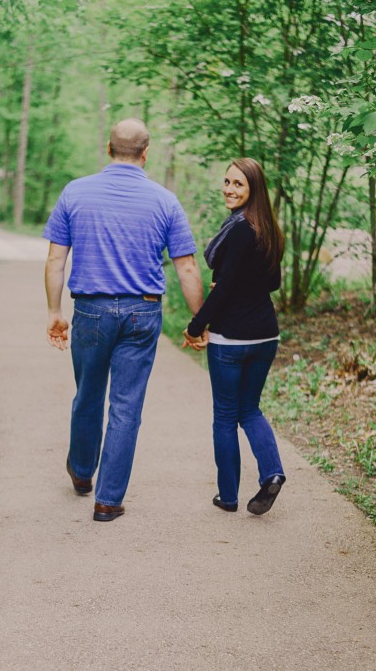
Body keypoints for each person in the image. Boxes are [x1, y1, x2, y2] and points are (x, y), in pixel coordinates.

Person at [44, 118, 205, 522]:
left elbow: (55, 259)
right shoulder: (165, 201)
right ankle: (108, 500)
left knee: (88, 394)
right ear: (146, 153)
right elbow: (186, 267)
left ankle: (82, 473)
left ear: (108, 148)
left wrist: (54, 312)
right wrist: (199, 321)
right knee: (126, 405)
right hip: (142, 312)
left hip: (91, 310)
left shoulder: (75, 191)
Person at [183, 158, 286, 516]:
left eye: (238, 184)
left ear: (253, 189)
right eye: (227, 182)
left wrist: (196, 326)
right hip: (265, 336)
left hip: (232, 338)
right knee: (250, 409)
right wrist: (237, 283)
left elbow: (224, 290)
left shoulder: (239, 230)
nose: (229, 189)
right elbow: (272, 283)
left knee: (226, 416)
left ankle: (228, 496)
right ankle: (272, 474)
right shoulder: (269, 229)